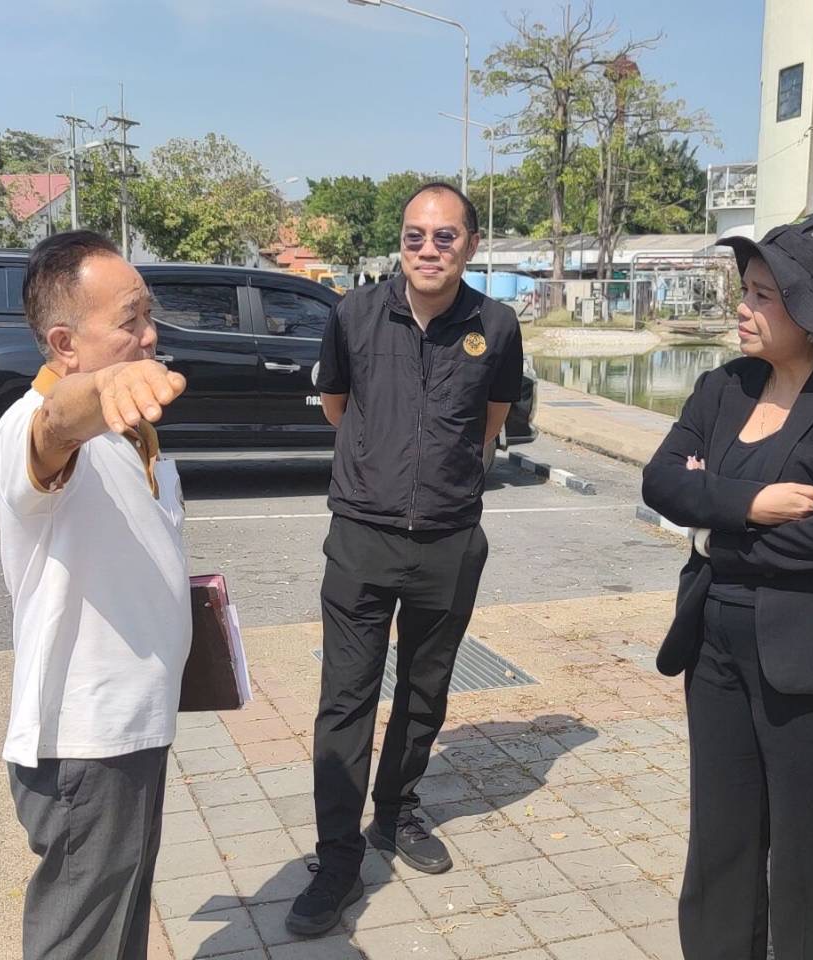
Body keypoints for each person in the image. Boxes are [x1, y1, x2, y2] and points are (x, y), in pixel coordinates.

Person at [642, 213, 813, 960]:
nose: (743, 305)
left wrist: (708, 523)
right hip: (718, 643)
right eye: (747, 289)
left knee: (811, 857)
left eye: (764, 295)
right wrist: (751, 506)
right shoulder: (723, 386)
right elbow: (661, 480)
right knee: (721, 839)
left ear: (811, 312)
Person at [286, 183, 524, 937]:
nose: (428, 249)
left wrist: (447, 481)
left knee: (425, 692)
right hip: (362, 535)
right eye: (416, 236)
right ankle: (336, 856)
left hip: (451, 539)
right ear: (401, 242)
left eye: (445, 237)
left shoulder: (497, 324)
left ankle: (396, 813)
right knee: (346, 699)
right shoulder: (353, 314)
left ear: (471, 244)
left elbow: (490, 423)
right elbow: (337, 406)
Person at [0, 230, 192, 960]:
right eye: (130, 320)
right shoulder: (25, 430)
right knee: (80, 944)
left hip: (134, 728)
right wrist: (97, 392)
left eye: (148, 314)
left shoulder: (133, 434)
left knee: (119, 927)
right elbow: (54, 425)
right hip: (85, 746)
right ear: (64, 343)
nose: (150, 334)